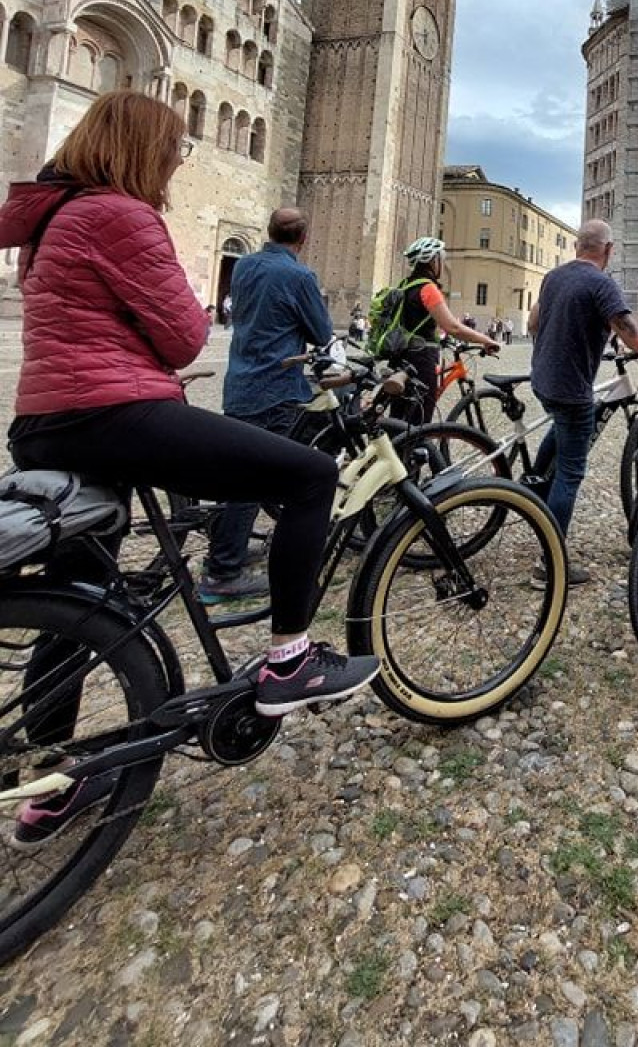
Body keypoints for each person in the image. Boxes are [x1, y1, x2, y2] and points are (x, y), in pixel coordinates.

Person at [0, 93, 379, 800]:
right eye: (174, 148)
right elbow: (182, 335)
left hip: (44, 419)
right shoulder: (119, 213)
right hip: (112, 413)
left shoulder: (53, 218)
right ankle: (290, 661)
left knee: (80, 597)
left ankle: (54, 777)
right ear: (141, 150)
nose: (178, 162)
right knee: (310, 474)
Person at [200, 208, 335, 604]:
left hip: (240, 381)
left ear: (269, 232)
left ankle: (232, 547)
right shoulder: (300, 276)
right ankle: (223, 569)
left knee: (246, 468)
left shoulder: (242, 267)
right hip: (277, 387)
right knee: (262, 475)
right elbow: (322, 332)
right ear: (303, 238)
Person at [528, 220, 638, 581]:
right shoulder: (602, 284)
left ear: (577, 246)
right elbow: (637, 340)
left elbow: (534, 321)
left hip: (543, 380)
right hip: (571, 389)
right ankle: (549, 565)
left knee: (561, 430)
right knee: (571, 472)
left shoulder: (553, 276)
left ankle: (536, 483)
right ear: (609, 249)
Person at [370, 237, 497, 421]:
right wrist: (486, 340)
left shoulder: (405, 285)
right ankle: (416, 450)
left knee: (398, 418)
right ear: (432, 260)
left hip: (400, 358)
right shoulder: (428, 288)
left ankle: (397, 449)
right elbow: (453, 327)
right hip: (420, 361)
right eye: (441, 259)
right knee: (419, 420)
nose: (443, 264)